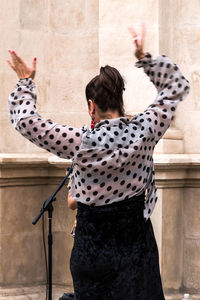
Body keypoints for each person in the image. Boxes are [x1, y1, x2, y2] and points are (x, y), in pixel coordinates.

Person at [7, 25, 190, 300]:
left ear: (91, 106)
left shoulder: (79, 142)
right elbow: (176, 86)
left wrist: (25, 82)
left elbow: (26, 122)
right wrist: (144, 57)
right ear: (120, 99)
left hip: (92, 255)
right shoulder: (146, 130)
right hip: (137, 253)